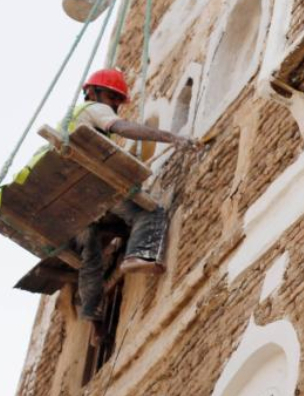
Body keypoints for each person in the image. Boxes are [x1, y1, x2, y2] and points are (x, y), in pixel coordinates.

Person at [46, 68, 198, 325]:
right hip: (89, 186)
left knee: (91, 252)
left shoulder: (73, 120)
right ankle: (138, 255)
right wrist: (169, 137)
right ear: (93, 92)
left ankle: (91, 312)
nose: (115, 105)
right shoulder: (94, 109)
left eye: (118, 100)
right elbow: (123, 128)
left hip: (70, 196)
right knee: (149, 212)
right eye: (112, 97)